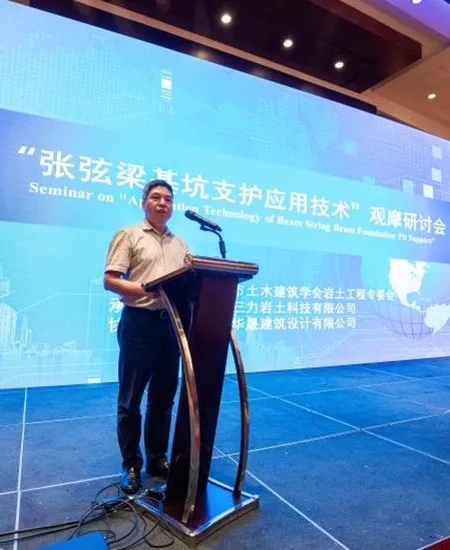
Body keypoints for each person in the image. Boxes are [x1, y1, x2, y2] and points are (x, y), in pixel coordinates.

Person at [104, 179, 188, 494]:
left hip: (170, 326)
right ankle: (131, 464)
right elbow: (111, 280)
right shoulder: (129, 235)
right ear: (144, 203)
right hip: (139, 323)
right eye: (156, 197)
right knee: (131, 400)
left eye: (168, 199)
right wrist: (145, 289)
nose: (163, 203)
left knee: (163, 398)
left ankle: (156, 458)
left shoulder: (180, 244)